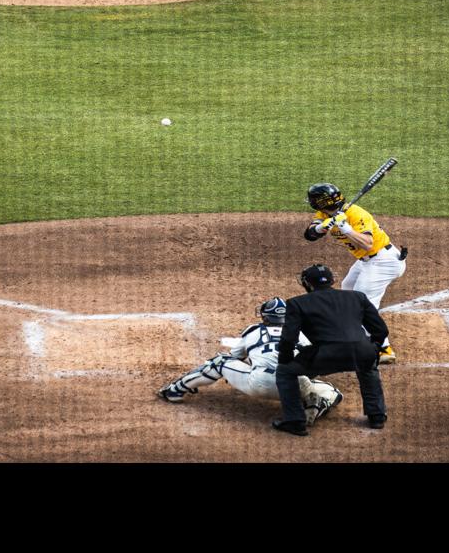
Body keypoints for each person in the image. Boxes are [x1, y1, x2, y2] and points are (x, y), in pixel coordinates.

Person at [158, 297, 344, 425]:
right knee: (333, 392)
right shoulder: (299, 333)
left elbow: (235, 356)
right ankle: (317, 406)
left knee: (221, 361)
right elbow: (311, 359)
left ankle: (175, 390)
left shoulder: (254, 330)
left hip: (260, 383)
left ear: (265, 316)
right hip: (295, 386)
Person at [272, 264, 388, 436]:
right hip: (360, 351)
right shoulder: (358, 297)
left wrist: (285, 359)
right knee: (368, 365)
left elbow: (289, 338)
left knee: (285, 372)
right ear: (333, 280)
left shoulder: (297, 303)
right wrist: (373, 348)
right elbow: (381, 330)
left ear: (308, 284)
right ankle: (377, 416)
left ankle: (295, 421)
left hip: (325, 355)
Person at [303, 182, 406, 363]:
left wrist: (346, 229)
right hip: (366, 261)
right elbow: (309, 235)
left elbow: (367, 243)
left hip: (383, 261)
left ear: (321, 201)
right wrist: (321, 227)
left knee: (362, 302)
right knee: (348, 287)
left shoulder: (356, 214)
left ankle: (383, 348)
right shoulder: (324, 213)